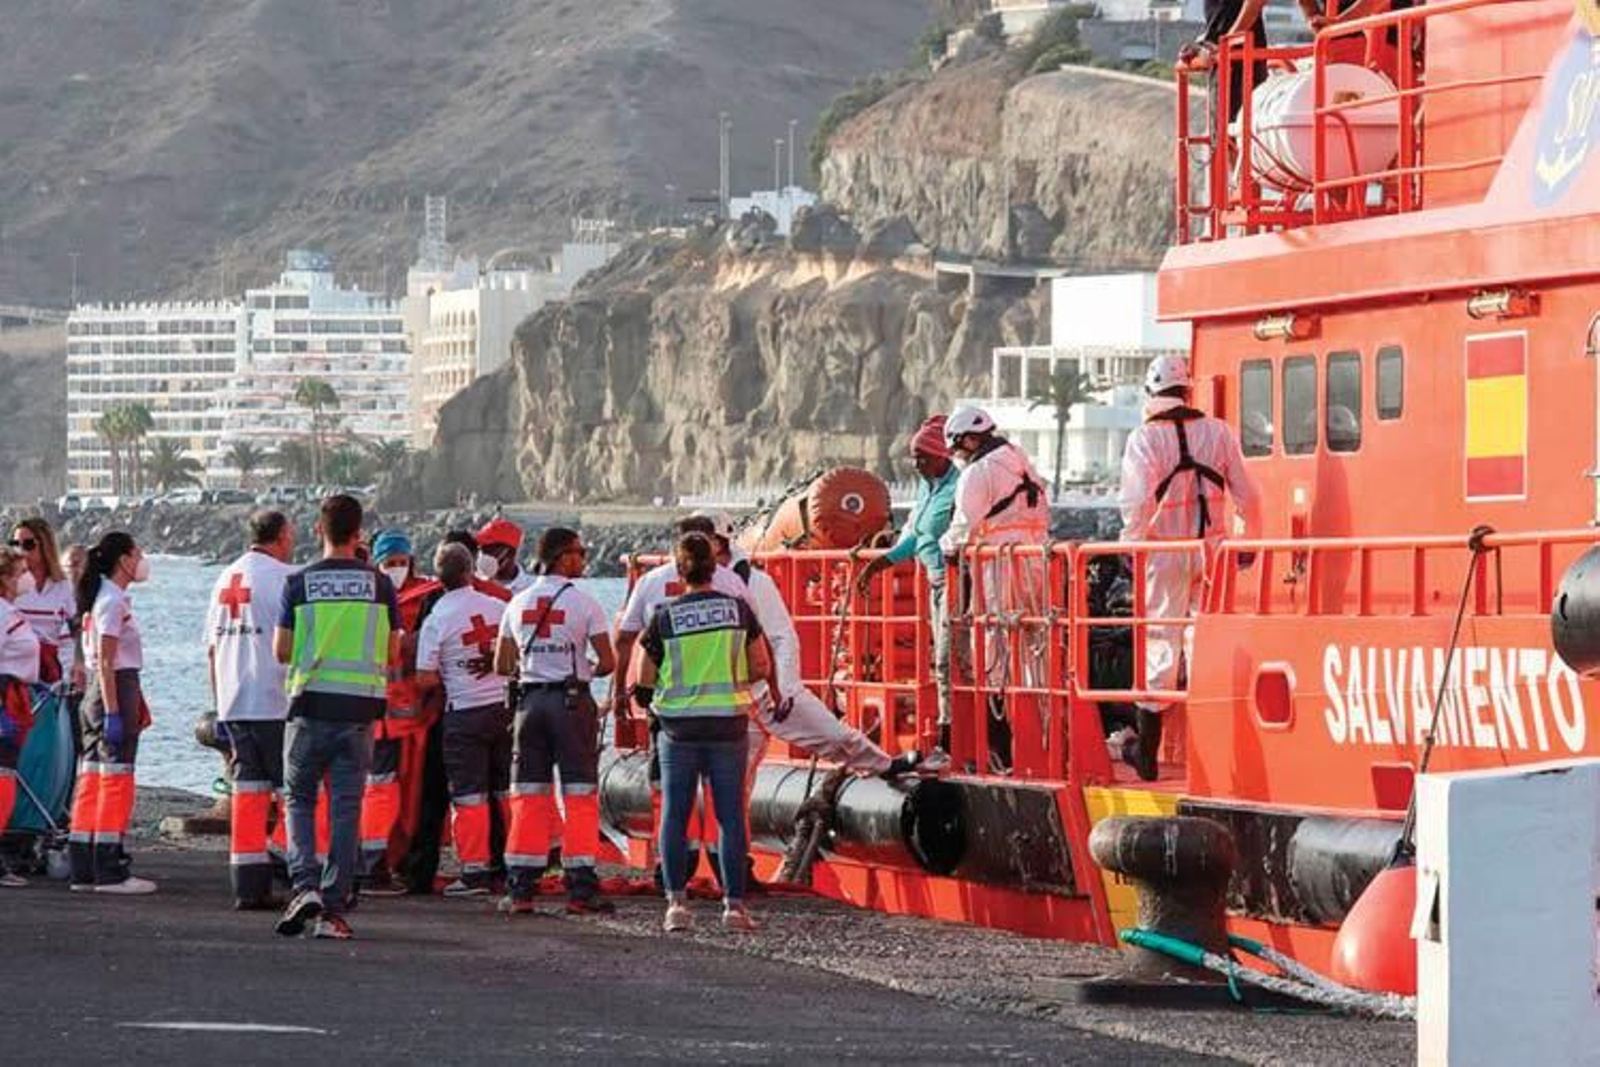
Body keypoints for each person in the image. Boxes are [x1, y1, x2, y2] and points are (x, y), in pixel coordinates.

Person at [1118, 354, 1262, 780]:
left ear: (1151, 393)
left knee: (1161, 642)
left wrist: (1131, 548)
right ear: (1188, 389)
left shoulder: (1145, 440)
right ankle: (1213, 744)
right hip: (1212, 552)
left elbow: (1135, 503)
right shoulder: (1219, 433)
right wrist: (1249, 539)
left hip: (1163, 554)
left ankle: (1147, 751)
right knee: (1206, 639)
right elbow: (1248, 495)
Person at [272, 495, 401, 940]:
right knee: (347, 808)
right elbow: (392, 652)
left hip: (309, 707)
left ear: (318, 531)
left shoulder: (299, 582)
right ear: (358, 533)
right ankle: (332, 906)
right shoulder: (381, 585)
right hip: (360, 712)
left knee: (300, 801)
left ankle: (303, 884)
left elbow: (282, 651)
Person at [634, 533, 770, 933]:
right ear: (716, 569)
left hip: (677, 729)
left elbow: (643, 681)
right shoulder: (738, 611)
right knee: (729, 815)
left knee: (676, 814)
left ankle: (676, 904)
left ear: (680, 570)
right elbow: (761, 666)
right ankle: (734, 908)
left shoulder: (665, 617)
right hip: (728, 723)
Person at [495, 527, 616, 915]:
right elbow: (608, 662)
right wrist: (584, 669)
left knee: (529, 796)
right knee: (579, 796)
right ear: (564, 557)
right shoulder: (585, 604)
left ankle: (520, 888)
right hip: (570, 703)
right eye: (580, 552)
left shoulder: (517, 603)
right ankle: (581, 888)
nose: (584, 559)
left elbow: (502, 664)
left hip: (529, 705)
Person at [939, 405, 1052, 773]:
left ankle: (1001, 747)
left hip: (998, 567)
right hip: (1035, 562)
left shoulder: (978, 473)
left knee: (994, 654)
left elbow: (961, 528)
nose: (957, 457)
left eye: (957, 449)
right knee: (1037, 650)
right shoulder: (1020, 460)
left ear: (970, 440)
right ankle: (1045, 737)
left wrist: (947, 551)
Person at [401, 529, 513, 894]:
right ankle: (515, 864)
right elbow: (515, 659)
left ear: (438, 576)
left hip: (462, 712)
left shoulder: (437, 616)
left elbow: (423, 678)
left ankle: (475, 871)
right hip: (502, 710)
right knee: (504, 792)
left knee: (469, 795)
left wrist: (452, 670)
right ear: (470, 570)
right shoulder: (499, 607)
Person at [205, 510, 297, 909]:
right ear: (281, 536)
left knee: (247, 794)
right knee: (294, 794)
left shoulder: (226, 578)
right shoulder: (282, 578)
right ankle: (302, 876)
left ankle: (248, 883)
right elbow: (294, 641)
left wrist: (219, 705)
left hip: (234, 701)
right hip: (274, 700)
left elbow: (212, 649)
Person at [856, 416, 963, 755]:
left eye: (923, 458)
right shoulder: (927, 489)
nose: (916, 465)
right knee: (941, 663)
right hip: (935, 583)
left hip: (957, 583)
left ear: (942, 455)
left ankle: (955, 741)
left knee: (950, 662)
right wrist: (880, 563)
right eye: (913, 458)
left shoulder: (959, 488)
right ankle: (950, 736)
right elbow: (915, 536)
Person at [67, 531, 155, 894]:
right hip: (111, 690)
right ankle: (110, 868)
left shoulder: (100, 597)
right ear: (123, 559)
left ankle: (84, 865)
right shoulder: (112, 600)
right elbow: (106, 661)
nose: (141, 561)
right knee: (115, 778)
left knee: (91, 778)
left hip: (99, 693)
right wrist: (116, 713)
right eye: (136, 554)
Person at [359, 528, 437, 894]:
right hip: (383, 718)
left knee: (402, 796)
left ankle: (384, 861)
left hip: (409, 717)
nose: (397, 569)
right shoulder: (373, 596)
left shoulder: (425, 596)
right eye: (390, 563)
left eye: (402, 563)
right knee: (380, 790)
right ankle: (373, 864)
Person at [0, 545, 41, 887]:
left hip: (15, 693)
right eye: (19, 572)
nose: (26, 577)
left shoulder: (11, 612)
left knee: (6, 775)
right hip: (4, 697)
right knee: (2, 776)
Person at [11, 518, 80, 699]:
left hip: (50, 672)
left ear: (45, 545)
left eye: (28, 544)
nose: (21, 550)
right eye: (15, 544)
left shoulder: (63, 586)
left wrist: (78, 663)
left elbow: (77, 628)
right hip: (16, 670)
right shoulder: (10, 584)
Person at [1178, 0, 1269, 121]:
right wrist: (1204, 43)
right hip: (1226, 59)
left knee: (1233, 132)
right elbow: (1222, 14)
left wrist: (1225, 43)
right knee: (1224, 131)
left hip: (1240, 62)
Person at [477, 518, 535, 596]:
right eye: (481, 550)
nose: (484, 556)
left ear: (511, 553)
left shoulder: (532, 589)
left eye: (490, 551)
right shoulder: (472, 586)